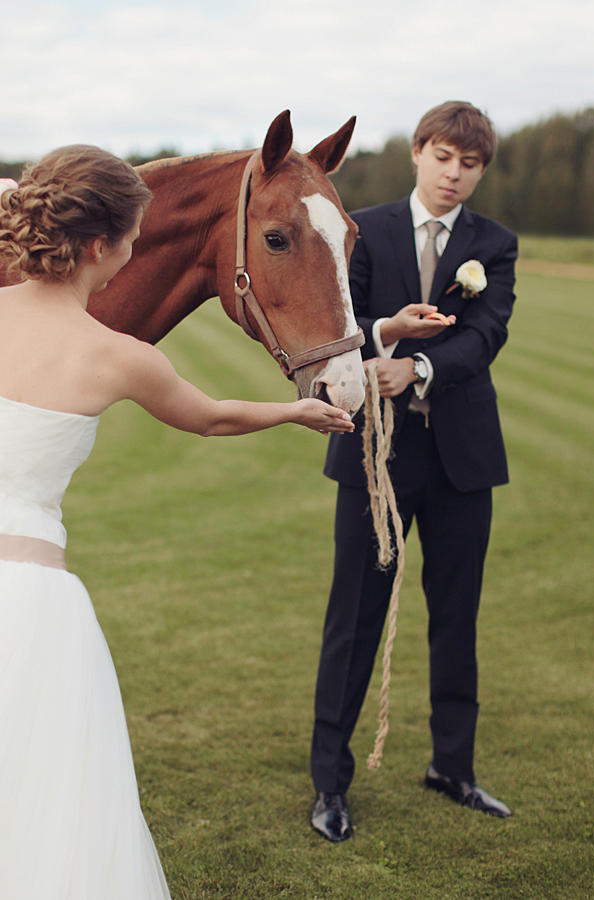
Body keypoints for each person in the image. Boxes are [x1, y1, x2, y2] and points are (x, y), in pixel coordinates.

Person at [0, 145, 354, 898]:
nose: (136, 250)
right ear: (103, 248)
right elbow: (215, 419)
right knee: (49, 801)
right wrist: (295, 408)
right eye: (133, 237)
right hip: (33, 606)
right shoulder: (119, 356)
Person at [310, 101, 518, 842]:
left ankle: (452, 769)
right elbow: (339, 321)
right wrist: (382, 346)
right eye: (443, 157)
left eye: (470, 164)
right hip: (376, 458)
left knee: (456, 617)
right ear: (418, 153)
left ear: (479, 170)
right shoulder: (367, 228)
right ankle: (330, 785)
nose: (455, 174)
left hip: (465, 460)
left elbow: (486, 333)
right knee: (354, 620)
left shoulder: (494, 244)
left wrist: (419, 367)